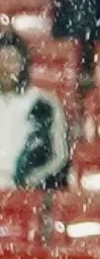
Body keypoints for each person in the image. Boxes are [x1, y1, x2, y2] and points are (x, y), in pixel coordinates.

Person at [0, 32, 69, 190]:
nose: (5, 67)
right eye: (1, 60)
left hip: (24, 191)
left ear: (23, 64)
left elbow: (59, 156)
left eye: (11, 60)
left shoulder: (44, 104)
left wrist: (29, 182)